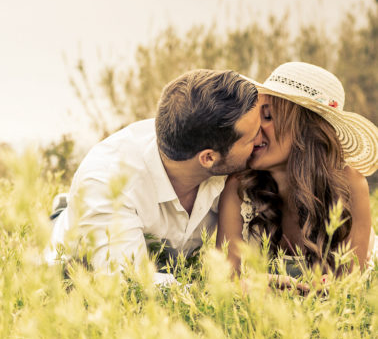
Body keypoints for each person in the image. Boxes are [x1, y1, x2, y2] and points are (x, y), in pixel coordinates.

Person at [47, 69, 262, 284]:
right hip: (76, 261)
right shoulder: (108, 182)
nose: (260, 140)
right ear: (208, 158)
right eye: (251, 139)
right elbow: (130, 282)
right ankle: (66, 210)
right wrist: (223, 294)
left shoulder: (215, 150)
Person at [216, 62, 378, 284]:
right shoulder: (239, 186)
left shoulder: (350, 183)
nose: (254, 128)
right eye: (254, 116)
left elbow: (348, 285)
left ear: (305, 129)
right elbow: (224, 282)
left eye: (268, 116)